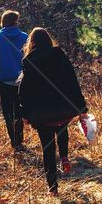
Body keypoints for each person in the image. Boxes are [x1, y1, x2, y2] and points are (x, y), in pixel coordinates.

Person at [18, 28, 87, 195]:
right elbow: (72, 81)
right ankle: (64, 157)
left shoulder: (29, 61)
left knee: (47, 148)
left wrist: (25, 114)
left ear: (31, 43)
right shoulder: (60, 56)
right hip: (63, 109)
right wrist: (81, 107)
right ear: (49, 40)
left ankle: (53, 188)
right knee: (62, 127)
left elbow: (23, 91)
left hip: (41, 114)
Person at [0, 10, 29, 150]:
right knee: (21, 111)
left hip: (6, 83)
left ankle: (16, 143)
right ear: (16, 21)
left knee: (9, 112)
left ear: (3, 22)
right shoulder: (25, 37)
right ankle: (20, 139)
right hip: (24, 82)